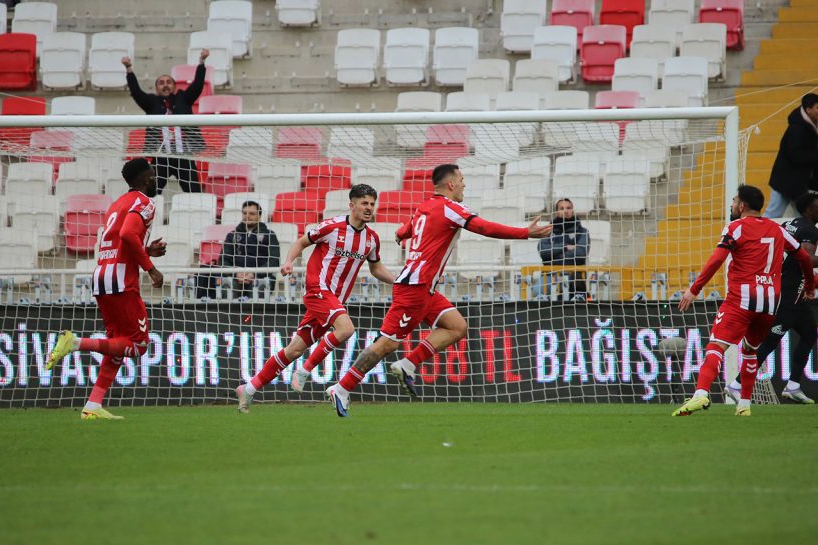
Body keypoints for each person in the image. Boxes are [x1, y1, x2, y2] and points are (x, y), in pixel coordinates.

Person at [322, 163, 552, 417]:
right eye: (462, 179)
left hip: (424, 288)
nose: (464, 184)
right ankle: (341, 389)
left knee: (457, 327)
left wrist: (400, 234)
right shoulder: (452, 209)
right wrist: (524, 233)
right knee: (385, 344)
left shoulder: (425, 205)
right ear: (451, 184)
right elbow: (484, 228)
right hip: (414, 289)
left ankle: (408, 364)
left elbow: (408, 228)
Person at [235, 185, 397, 414]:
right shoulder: (332, 227)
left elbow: (376, 267)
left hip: (334, 301)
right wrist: (289, 261)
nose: (369, 208)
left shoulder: (371, 239)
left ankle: (249, 389)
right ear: (352, 205)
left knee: (293, 350)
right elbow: (301, 242)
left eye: (372, 203)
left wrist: (399, 281)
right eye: (364, 203)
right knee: (346, 329)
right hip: (317, 290)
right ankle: (305, 370)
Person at [673, 185, 815, 417]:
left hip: (741, 299)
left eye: (734, 201)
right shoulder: (777, 230)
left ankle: (700, 394)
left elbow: (716, 260)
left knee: (716, 346)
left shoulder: (735, 228)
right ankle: (744, 405)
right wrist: (809, 287)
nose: (732, 205)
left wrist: (694, 289)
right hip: (770, 303)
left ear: (741, 206)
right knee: (750, 351)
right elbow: (804, 258)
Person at [44, 158, 167, 420]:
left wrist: (146, 250)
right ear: (145, 179)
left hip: (102, 275)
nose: (156, 181)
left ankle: (93, 406)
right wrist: (150, 267)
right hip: (122, 280)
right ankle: (75, 342)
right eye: (153, 177)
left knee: (117, 345)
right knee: (140, 345)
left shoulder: (117, 204)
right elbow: (126, 235)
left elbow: (118, 239)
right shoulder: (144, 203)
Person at [726, 193, 818, 405]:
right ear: (809, 210)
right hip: (787, 294)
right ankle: (737, 384)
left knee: (809, 334)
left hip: (792, 293)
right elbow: (807, 259)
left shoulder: (790, 224)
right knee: (769, 342)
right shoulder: (810, 229)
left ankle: (793, 385)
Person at [123, 49, 210, 194]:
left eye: (169, 82)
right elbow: (136, 92)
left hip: (184, 156)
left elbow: (198, 85)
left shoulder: (184, 99)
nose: (165, 85)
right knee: (150, 193)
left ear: (174, 86)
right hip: (161, 157)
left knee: (195, 194)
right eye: (161, 83)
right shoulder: (151, 102)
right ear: (156, 88)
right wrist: (129, 69)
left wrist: (201, 62)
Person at [764, 93, 818, 219]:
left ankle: (798, 237)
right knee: (773, 214)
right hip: (785, 182)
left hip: (798, 184)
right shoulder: (796, 129)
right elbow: (795, 155)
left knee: (801, 216)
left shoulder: (812, 127)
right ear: (808, 109)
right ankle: (757, 235)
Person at [219, 200, 280, 299]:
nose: (247, 216)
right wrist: (236, 273)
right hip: (235, 277)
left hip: (261, 277)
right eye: (244, 213)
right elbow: (223, 260)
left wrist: (254, 273)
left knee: (260, 287)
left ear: (259, 216)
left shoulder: (270, 235)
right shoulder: (232, 235)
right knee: (228, 287)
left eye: (252, 213)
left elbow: (274, 260)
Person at [536, 198, 589, 301]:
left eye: (568, 208)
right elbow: (543, 252)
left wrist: (554, 255)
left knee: (572, 296)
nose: (565, 211)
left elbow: (581, 253)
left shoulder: (582, 232)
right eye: (562, 208)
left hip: (572, 275)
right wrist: (565, 247)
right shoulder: (547, 231)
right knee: (537, 291)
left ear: (572, 210)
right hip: (550, 274)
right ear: (557, 211)